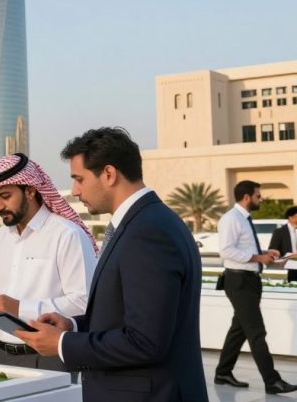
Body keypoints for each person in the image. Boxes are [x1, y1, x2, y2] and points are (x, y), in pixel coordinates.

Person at [14, 127, 207, 401]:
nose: (74, 190)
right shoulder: (144, 222)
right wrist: (73, 325)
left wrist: (62, 343)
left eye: (79, 179)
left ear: (109, 174)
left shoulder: (146, 231)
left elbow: (145, 342)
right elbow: (126, 316)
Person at [0, 154, 97, 376]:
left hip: (49, 358)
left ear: (30, 191)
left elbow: (84, 303)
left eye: (5, 196)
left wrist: (20, 308)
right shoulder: (0, 237)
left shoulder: (66, 234)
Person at [213, 180, 297, 393]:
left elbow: (246, 250)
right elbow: (226, 252)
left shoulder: (244, 219)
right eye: (258, 196)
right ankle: (272, 381)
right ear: (247, 197)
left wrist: (266, 254)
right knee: (257, 332)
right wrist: (258, 257)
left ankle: (223, 372)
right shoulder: (230, 219)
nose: (261, 199)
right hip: (238, 281)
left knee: (239, 329)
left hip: (249, 280)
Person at [268, 206, 297, 283]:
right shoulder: (279, 232)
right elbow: (273, 251)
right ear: (291, 217)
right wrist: (286, 258)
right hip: (289, 268)